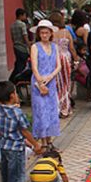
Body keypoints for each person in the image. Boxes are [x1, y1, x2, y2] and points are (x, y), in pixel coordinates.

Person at [29, 20, 62, 149]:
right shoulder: (35, 47)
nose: (44, 35)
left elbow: (58, 66)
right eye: (42, 33)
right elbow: (34, 66)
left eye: (46, 33)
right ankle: (42, 142)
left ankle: (49, 140)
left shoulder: (55, 46)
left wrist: (50, 77)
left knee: (51, 111)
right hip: (38, 82)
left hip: (51, 81)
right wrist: (40, 82)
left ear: (50, 33)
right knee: (41, 111)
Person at [48, 12, 78, 118]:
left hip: (53, 59)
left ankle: (56, 107)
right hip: (65, 58)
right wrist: (76, 60)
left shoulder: (50, 33)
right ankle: (65, 108)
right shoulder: (66, 32)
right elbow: (72, 48)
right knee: (66, 83)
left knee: (56, 84)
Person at [10, 8, 31, 83]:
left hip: (16, 46)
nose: (25, 17)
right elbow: (25, 36)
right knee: (21, 65)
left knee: (18, 63)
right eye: (24, 15)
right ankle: (17, 79)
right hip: (22, 47)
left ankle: (12, 79)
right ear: (21, 15)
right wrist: (29, 45)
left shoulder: (12, 25)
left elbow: (12, 38)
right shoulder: (22, 25)